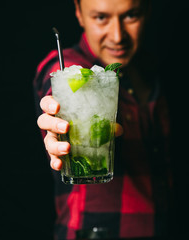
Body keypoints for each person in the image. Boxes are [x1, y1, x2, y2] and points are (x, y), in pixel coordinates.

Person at [34, 0, 172, 239]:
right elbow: (53, 88)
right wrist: (56, 128)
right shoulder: (63, 66)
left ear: (147, 10)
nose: (118, 36)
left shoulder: (146, 68)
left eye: (131, 15)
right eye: (101, 17)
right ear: (79, 12)